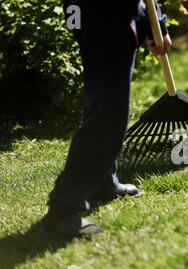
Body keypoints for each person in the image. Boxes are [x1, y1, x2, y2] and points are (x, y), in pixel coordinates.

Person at [41, 0, 172, 236]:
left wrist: (155, 22)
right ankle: (63, 208)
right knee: (108, 117)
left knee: (104, 101)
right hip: (105, 15)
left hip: (94, 12)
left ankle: (102, 182)